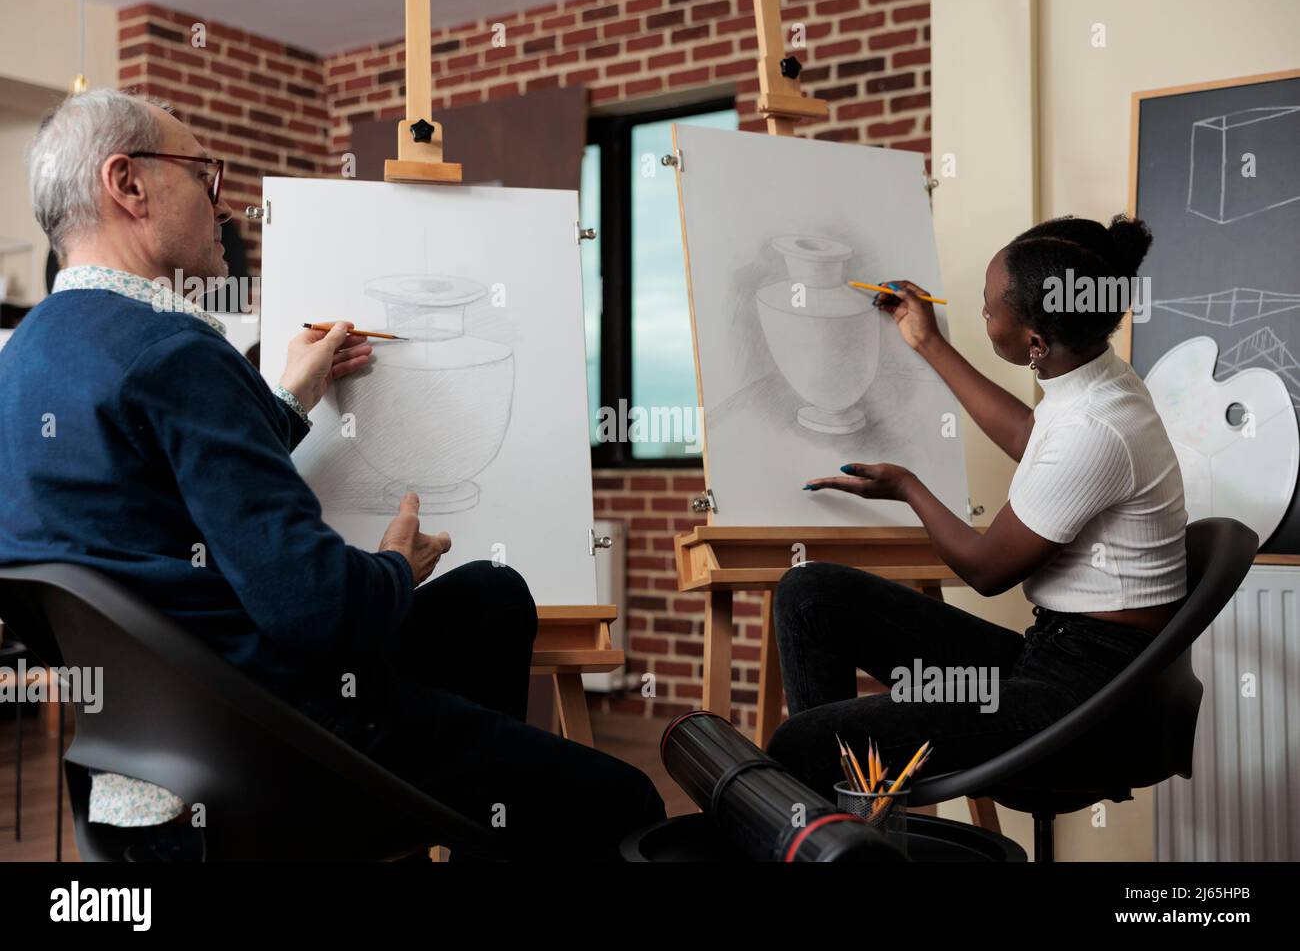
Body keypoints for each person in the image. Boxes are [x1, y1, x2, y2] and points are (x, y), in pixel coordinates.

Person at [0, 88, 664, 860]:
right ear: (129, 184)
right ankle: (439, 810)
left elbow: (165, 483)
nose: (226, 202)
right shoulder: (173, 350)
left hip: (144, 750)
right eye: (203, 174)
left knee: (492, 597)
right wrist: (394, 566)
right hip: (277, 738)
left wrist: (286, 399)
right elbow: (313, 608)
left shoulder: (28, 360)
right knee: (629, 804)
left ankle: (460, 814)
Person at [766, 214, 1188, 797]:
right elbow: (1030, 437)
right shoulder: (1101, 380)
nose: (983, 314)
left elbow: (986, 570)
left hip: (1087, 706)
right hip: (1056, 656)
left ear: (1035, 342)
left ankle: (840, 829)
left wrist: (910, 488)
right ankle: (849, 813)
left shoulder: (1096, 427)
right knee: (808, 593)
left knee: (800, 746)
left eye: (990, 310)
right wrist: (930, 343)